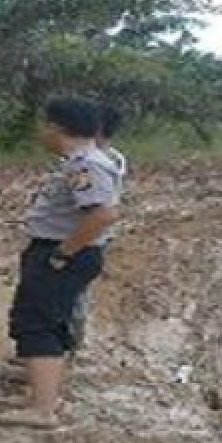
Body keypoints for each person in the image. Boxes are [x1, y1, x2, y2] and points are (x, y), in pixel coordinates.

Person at [0, 97, 120, 429]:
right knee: (46, 318)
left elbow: (102, 215)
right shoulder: (83, 161)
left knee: (38, 323)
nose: (41, 131)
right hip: (63, 250)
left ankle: (42, 410)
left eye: (44, 124)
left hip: (63, 253)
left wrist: (63, 253)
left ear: (57, 127)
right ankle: (40, 388)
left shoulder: (85, 165)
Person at [69, 103, 128, 350]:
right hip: (91, 234)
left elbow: (100, 211)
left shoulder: (93, 161)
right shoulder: (113, 158)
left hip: (83, 236)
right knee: (75, 293)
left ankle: (67, 347)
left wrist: (66, 248)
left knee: (73, 294)